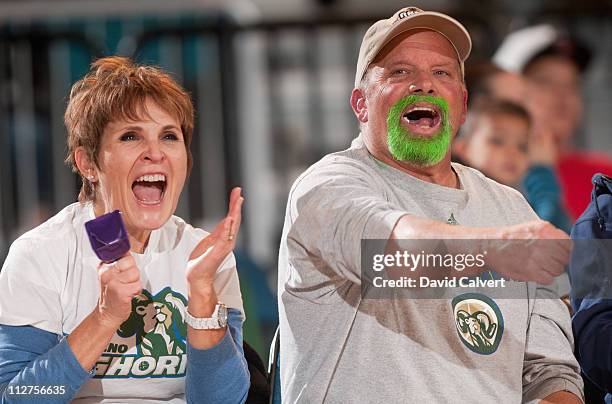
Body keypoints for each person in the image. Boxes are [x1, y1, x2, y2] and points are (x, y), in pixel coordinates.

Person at [277, 7, 583, 403]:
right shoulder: (328, 185)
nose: (424, 84)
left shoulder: (512, 209)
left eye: (442, 73)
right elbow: (383, 252)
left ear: (463, 104)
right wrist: (496, 249)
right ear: (360, 104)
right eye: (399, 72)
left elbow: (550, 372)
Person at [0, 57, 249, 402]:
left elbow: (221, 401)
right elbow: (19, 398)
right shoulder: (41, 253)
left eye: (169, 136)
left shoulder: (205, 255)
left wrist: (203, 295)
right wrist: (105, 318)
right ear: (89, 163)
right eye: (131, 136)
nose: (155, 153)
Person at [495, 24, 612, 220]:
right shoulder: (472, 178)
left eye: (573, 83)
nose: (563, 94)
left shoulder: (605, 177)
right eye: (545, 81)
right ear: (502, 93)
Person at [453, 98, 531, 188]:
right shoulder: (455, 190)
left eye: (522, 147)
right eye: (498, 141)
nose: (513, 153)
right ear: (464, 148)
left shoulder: (523, 196)